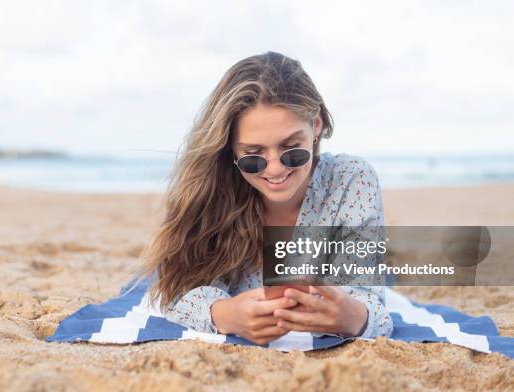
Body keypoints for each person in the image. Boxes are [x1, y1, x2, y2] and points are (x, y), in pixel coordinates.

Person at [134, 51, 393, 345]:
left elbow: (370, 303)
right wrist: (226, 315)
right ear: (229, 146)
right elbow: (176, 291)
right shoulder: (211, 190)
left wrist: (353, 318)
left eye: (292, 147)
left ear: (316, 125)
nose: (275, 169)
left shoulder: (350, 180)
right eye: (253, 155)